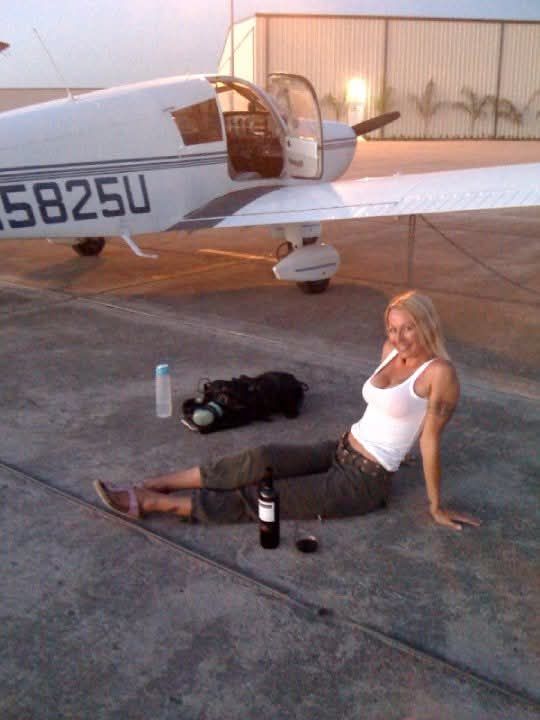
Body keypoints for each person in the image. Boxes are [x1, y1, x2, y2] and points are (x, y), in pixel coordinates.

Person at [94, 290, 480, 532]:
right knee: (260, 457)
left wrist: (435, 505)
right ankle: (157, 482)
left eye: (408, 328)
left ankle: (152, 502)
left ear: (426, 325)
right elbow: (390, 410)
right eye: (393, 328)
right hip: (341, 448)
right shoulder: (389, 351)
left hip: (364, 482)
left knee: (265, 497)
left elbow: (431, 439)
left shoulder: (440, 373)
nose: (398, 337)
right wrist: (399, 443)